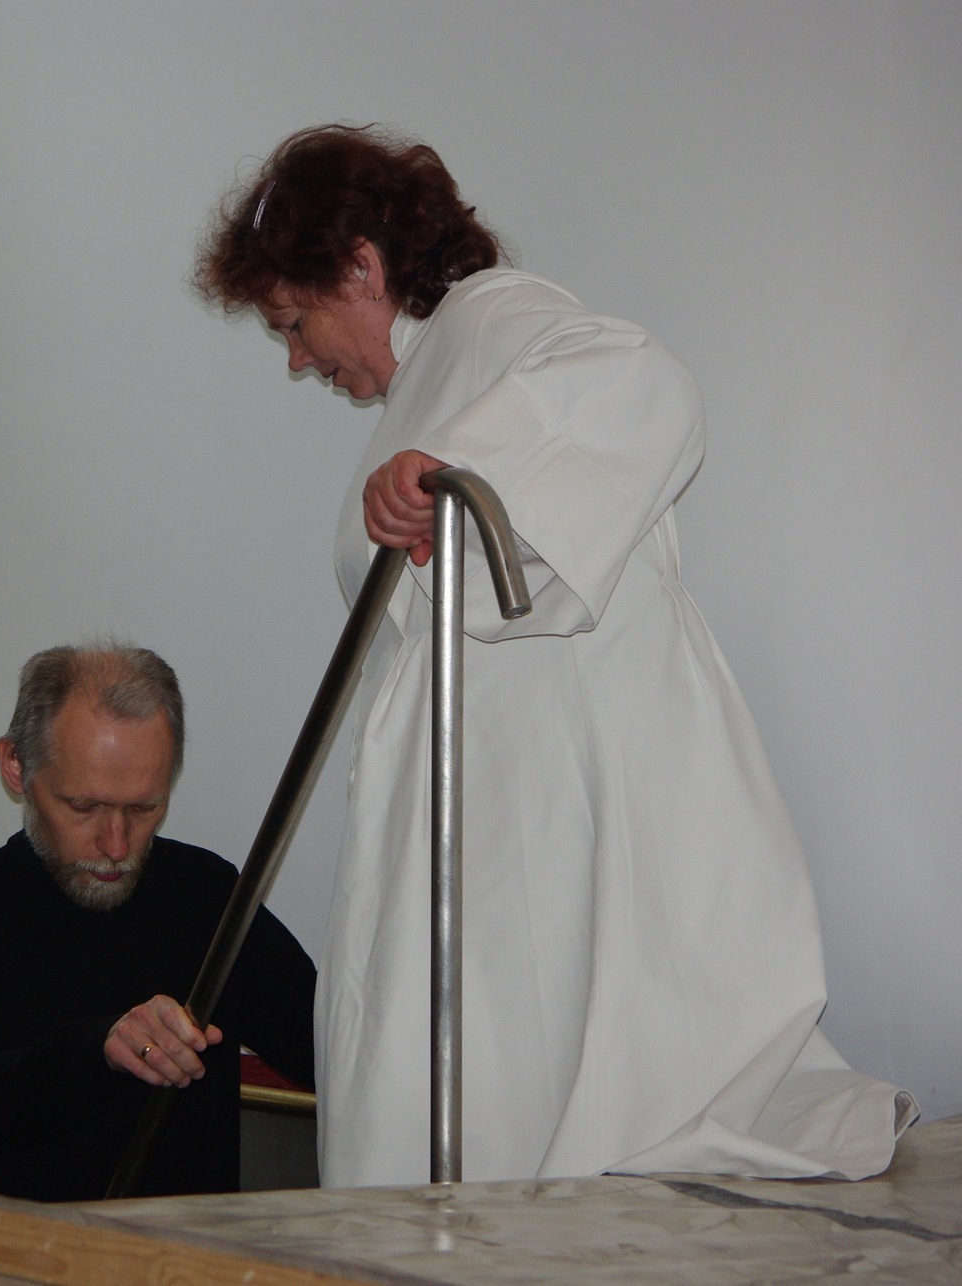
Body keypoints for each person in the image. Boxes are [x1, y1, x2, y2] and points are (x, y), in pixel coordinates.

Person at [195, 124, 912, 1187]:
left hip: (547, 777)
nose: (299, 359)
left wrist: (455, 470)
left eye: (294, 324)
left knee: (544, 1063)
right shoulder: (444, 368)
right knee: (484, 1059)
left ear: (361, 268)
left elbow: (645, 380)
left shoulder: (493, 317)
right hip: (489, 787)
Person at [0, 643, 316, 1202]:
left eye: (143, 808)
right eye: (83, 807)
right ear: (16, 766)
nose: (116, 846)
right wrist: (101, 1049)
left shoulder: (208, 893)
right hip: (22, 1246)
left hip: (191, 1248)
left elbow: (323, 1044)